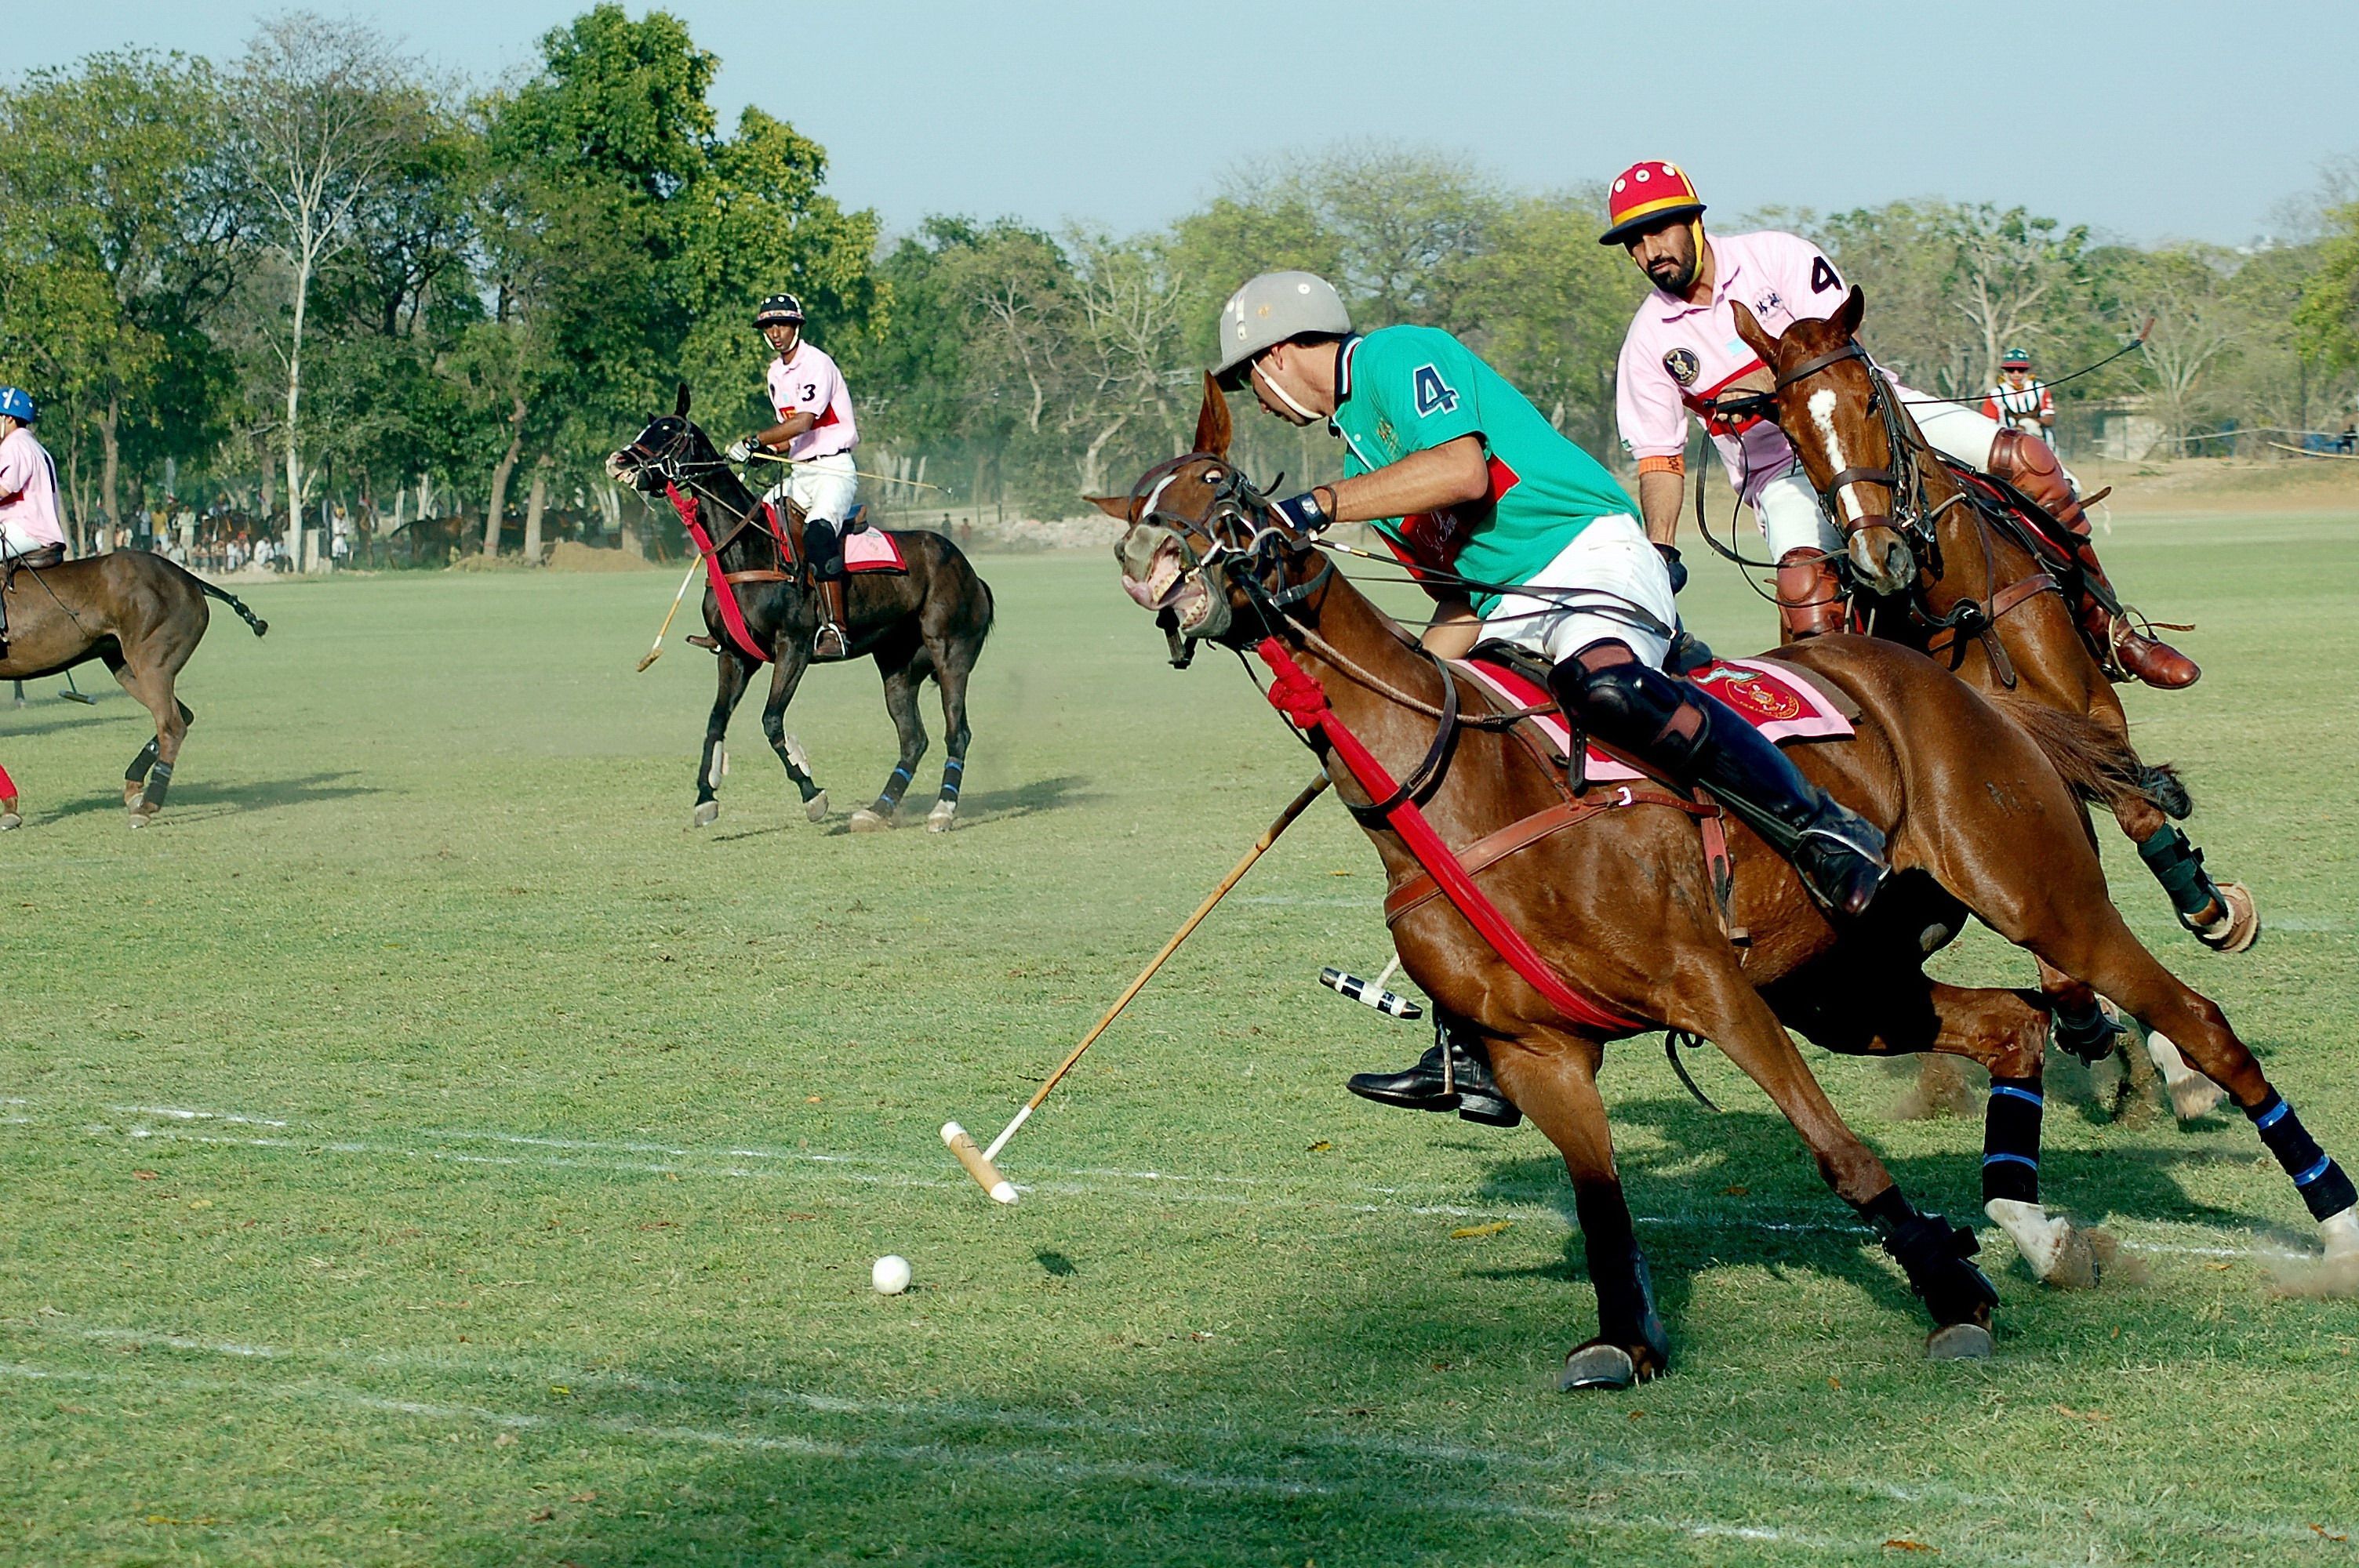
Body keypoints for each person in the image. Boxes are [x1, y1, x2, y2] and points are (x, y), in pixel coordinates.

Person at [1212, 270, 1892, 1125]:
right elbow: (1460, 605)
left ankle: (1823, 827)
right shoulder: (1360, 456)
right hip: (1509, 610)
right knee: (1455, 778)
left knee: (1601, 684)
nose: (1257, 400)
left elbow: (1460, 467)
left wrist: (1314, 508)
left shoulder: (1396, 356)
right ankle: (1472, 1046)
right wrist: (1387, 711)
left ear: (1279, 352)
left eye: (1249, 378)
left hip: (1590, 557)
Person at [1604, 160, 2197, 688]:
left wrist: (1759, 388)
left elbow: (1836, 354)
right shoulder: (1648, 343)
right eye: (1634, 241)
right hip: (1782, 472)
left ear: (1694, 221)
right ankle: (1838, 735)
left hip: (1876, 420)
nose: (1650, 250)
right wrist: (1661, 548)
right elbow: (1660, 459)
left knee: (2028, 461)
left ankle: (2109, 631)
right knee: (1802, 587)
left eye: (1659, 229)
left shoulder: (1777, 258)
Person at [725, 292, 862, 659]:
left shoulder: (817, 363)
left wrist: (754, 439)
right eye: (769, 326)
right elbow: (793, 437)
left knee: (818, 534)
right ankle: (739, 624)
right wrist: (765, 451)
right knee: (749, 526)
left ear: (797, 326)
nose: (775, 332)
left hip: (832, 469)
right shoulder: (775, 373)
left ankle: (836, 628)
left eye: (782, 324)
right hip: (800, 472)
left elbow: (804, 421)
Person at [0, 385, 68, 660]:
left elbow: (5, 488)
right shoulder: (31, 444)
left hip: (29, 527)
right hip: (28, 524)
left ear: (8, 418)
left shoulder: (15, 446)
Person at [1980, 347, 2055, 445]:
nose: (2016, 374)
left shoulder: (2040, 390)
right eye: (2011, 370)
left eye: (2021, 370)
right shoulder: (1995, 395)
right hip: (2007, 443)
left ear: (2027, 371)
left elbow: (2050, 419)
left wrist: (2029, 424)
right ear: (2005, 372)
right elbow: (1988, 426)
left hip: (2041, 443)